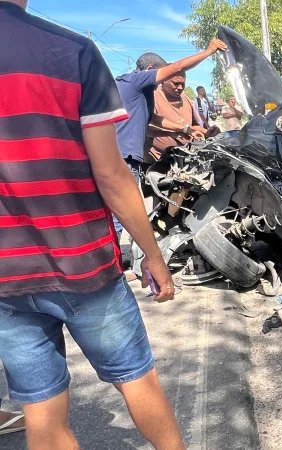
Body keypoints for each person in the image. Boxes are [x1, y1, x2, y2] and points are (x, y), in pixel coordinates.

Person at [0, 1, 181, 449]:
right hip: (83, 263)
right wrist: (153, 255)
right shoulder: (70, 50)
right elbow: (111, 174)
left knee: (42, 412)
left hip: (6, 276)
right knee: (136, 379)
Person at [113, 39, 227, 235]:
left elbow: (155, 119)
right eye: (164, 76)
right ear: (150, 69)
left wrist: (186, 130)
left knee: (122, 208)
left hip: (125, 157)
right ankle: (116, 250)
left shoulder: (137, 91)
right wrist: (209, 51)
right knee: (124, 210)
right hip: (125, 157)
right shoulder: (135, 80)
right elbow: (178, 67)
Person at [147, 72, 220, 164]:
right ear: (164, 80)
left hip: (186, 157)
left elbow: (192, 126)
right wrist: (181, 130)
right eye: (176, 83)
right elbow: (148, 128)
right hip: (158, 160)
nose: (180, 87)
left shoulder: (185, 98)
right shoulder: (152, 97)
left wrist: (206, 132)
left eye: (183, 84)